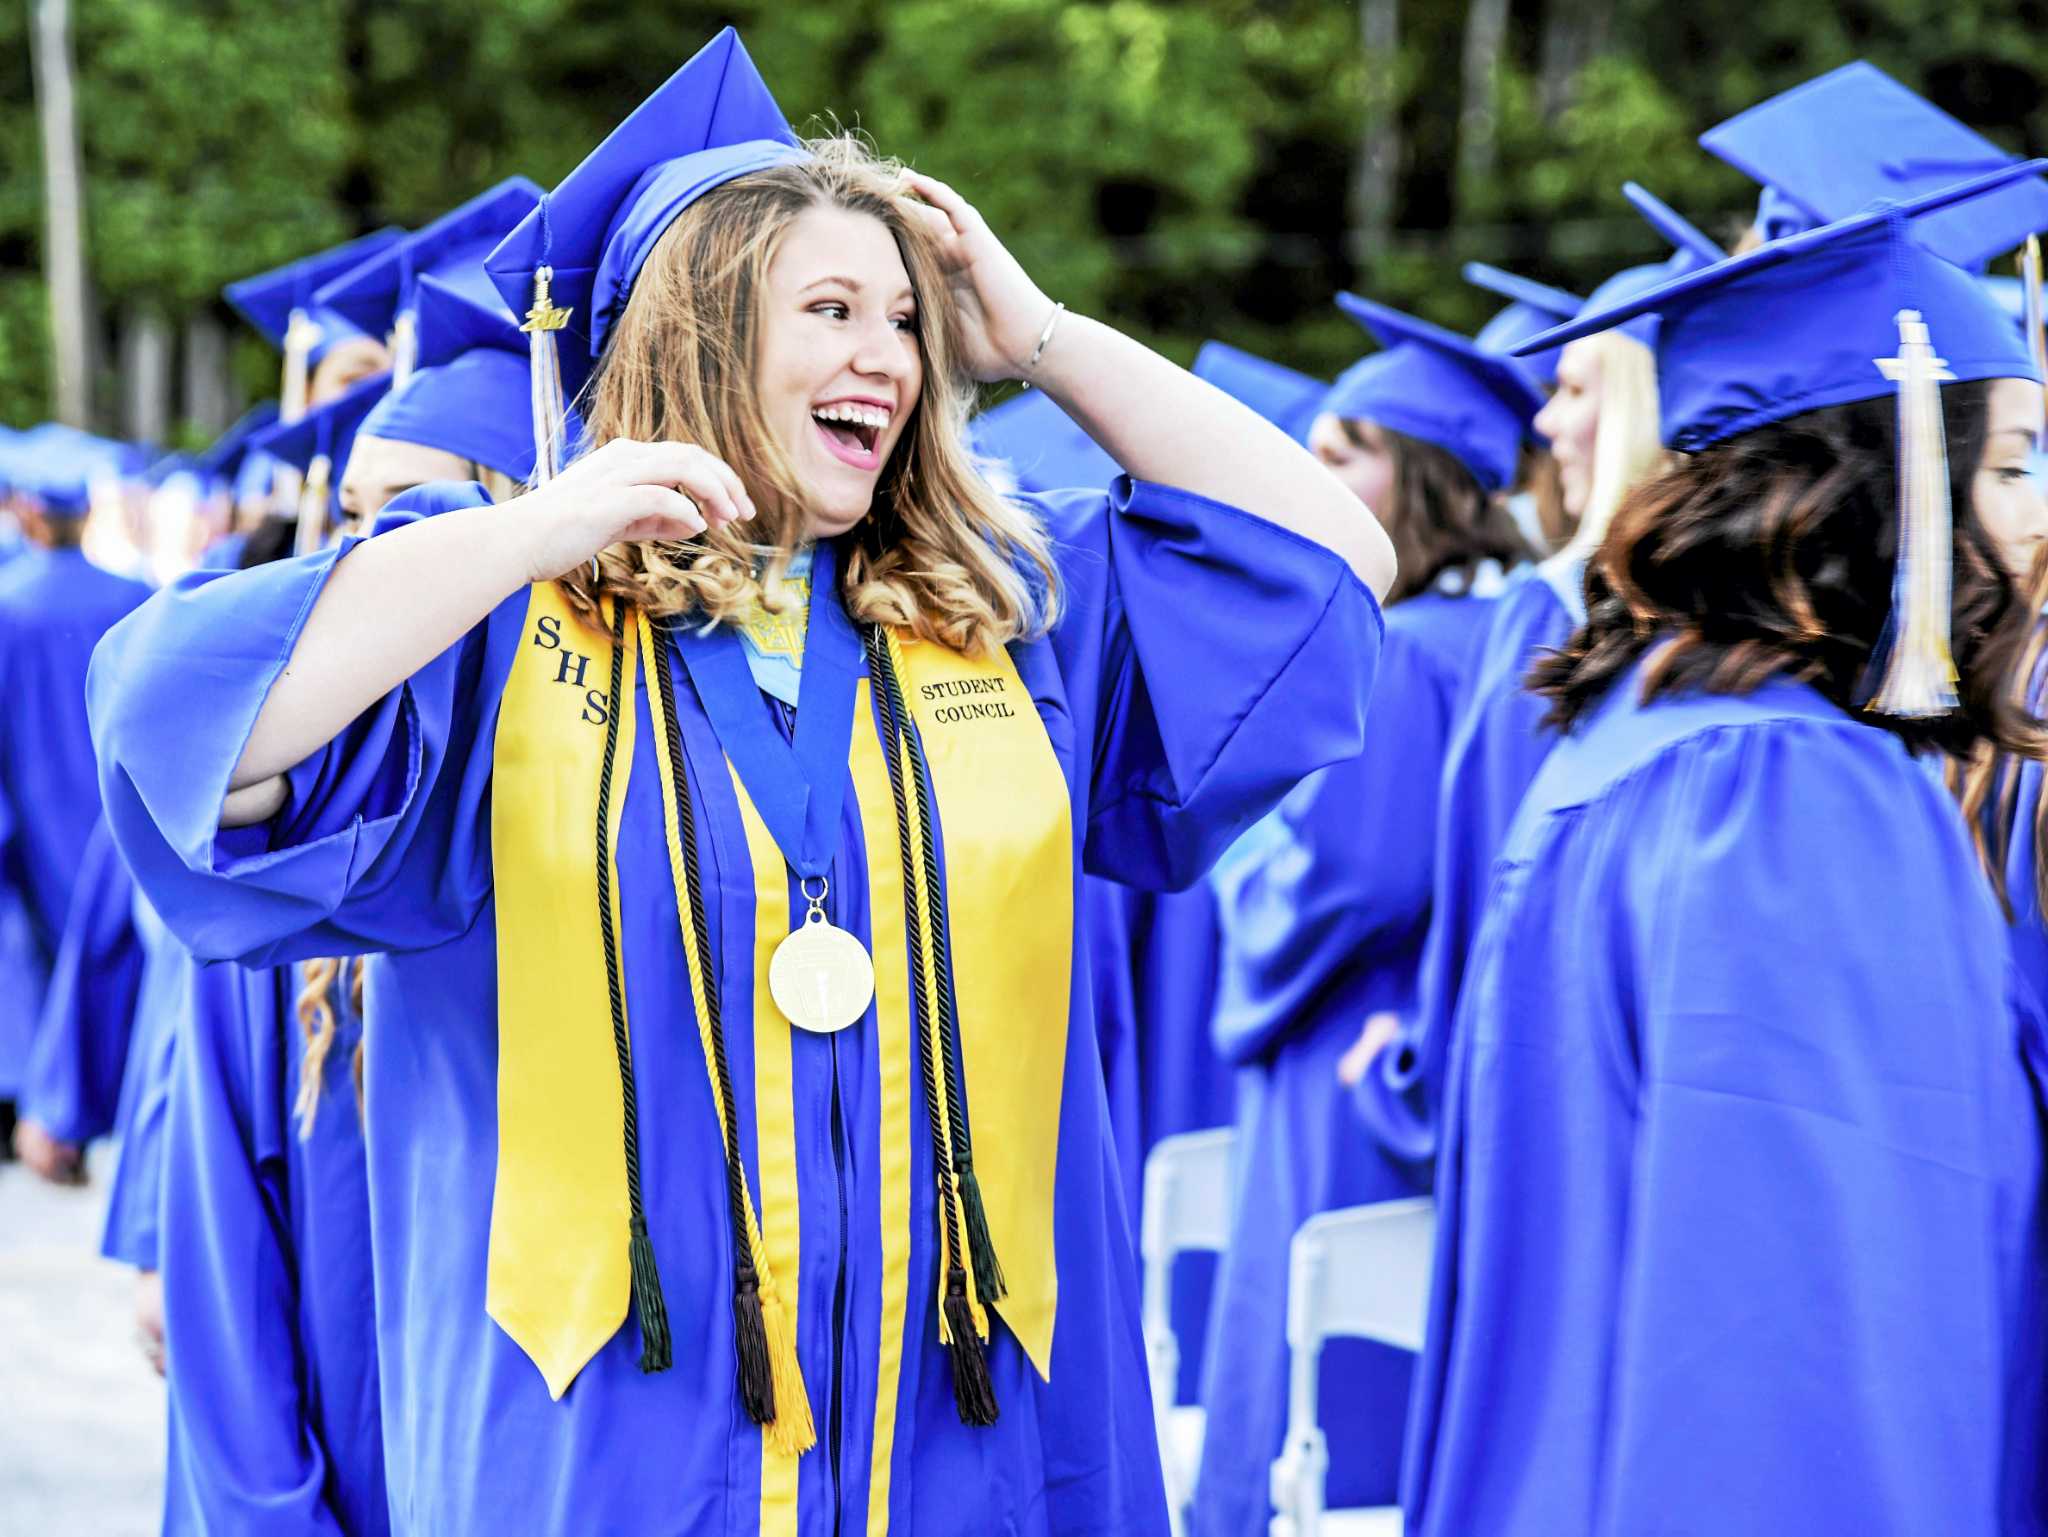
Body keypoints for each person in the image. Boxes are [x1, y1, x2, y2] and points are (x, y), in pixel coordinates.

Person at [91, 28, 1392, 1537]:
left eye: (904, 319)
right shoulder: (506, 640)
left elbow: (1334, 567)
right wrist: (534, 527)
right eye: (830, 308)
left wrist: (1040, 337)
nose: (888, 357)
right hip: (616, 1456)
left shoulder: (1013, 613)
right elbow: (178, 719)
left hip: (968, 1435)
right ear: (698, 333)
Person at [1403, 166, 2048, 1537]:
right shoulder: (1795, 802)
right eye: (2003, 465)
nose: (2032, 520)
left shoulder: (1628, 737)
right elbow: (1806, 1356)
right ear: (1891, 491)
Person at [1193, 295, 1535, 1533]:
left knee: (1325, 1410)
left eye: (1348, 450)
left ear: (1428, 482)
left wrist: (1235, 870)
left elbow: (1349, 877)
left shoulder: (1407, 651)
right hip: (1440, 1035)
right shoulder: (1513, 630)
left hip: (1356, 1045)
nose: (1313, 468)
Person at [1346, 219, 1687, 1164]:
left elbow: (1483, 883)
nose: (1545, 425)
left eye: (1575, 388)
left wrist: (1418, 1064)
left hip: (1536, 1095)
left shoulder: (1543, 619)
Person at [1, 430, 153, 1177]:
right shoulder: (139, 598)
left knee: (37, 965)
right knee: (115, 962)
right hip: (116, 821)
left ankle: (47, 1114)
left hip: (29, 820)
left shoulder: (4, 605)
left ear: (27, 513)